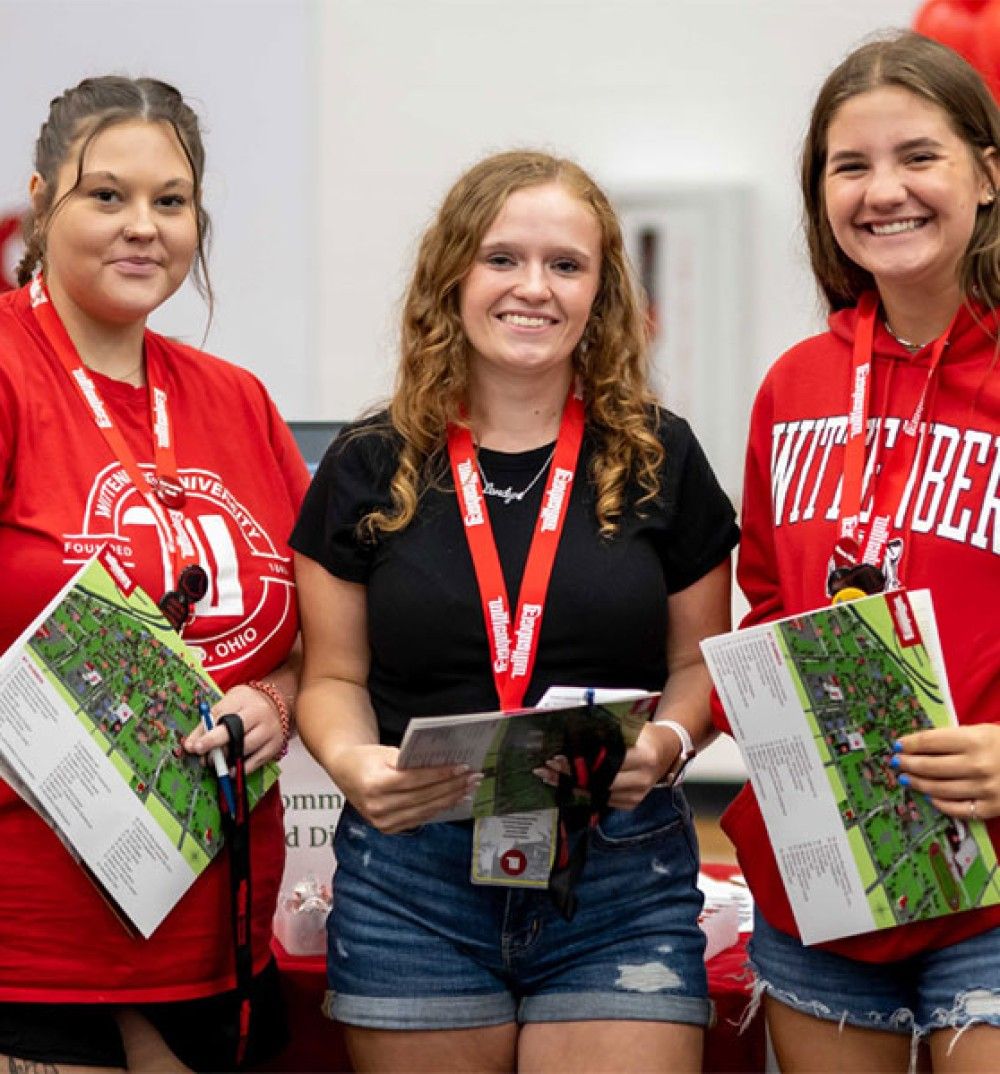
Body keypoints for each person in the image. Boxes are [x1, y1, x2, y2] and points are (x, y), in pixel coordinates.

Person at [292, 150, 738, 1073]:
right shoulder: (369, 463)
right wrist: (350, 761)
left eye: (566, 266)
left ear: (600, 294)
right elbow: (330, 675)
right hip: (413, 867)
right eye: (502, 259)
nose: (533, 288)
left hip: (617, 870)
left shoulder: (662, 456)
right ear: (452, 275)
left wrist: (664, 748)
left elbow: (698, 665)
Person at [0, 76, 309, 1071]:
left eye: (170, 202)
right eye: (107, 196)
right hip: (33, 944)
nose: (143, 228)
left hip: (220, 931)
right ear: (42, 200)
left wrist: (276, 699)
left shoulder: (235, 399)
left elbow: (316, 643)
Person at [716, 30, 1000, 1073]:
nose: (885, 191)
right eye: (850, 166)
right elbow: (760, 600)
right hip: (826, 879)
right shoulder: (793, 385)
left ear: (986, 173)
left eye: (917, 156)